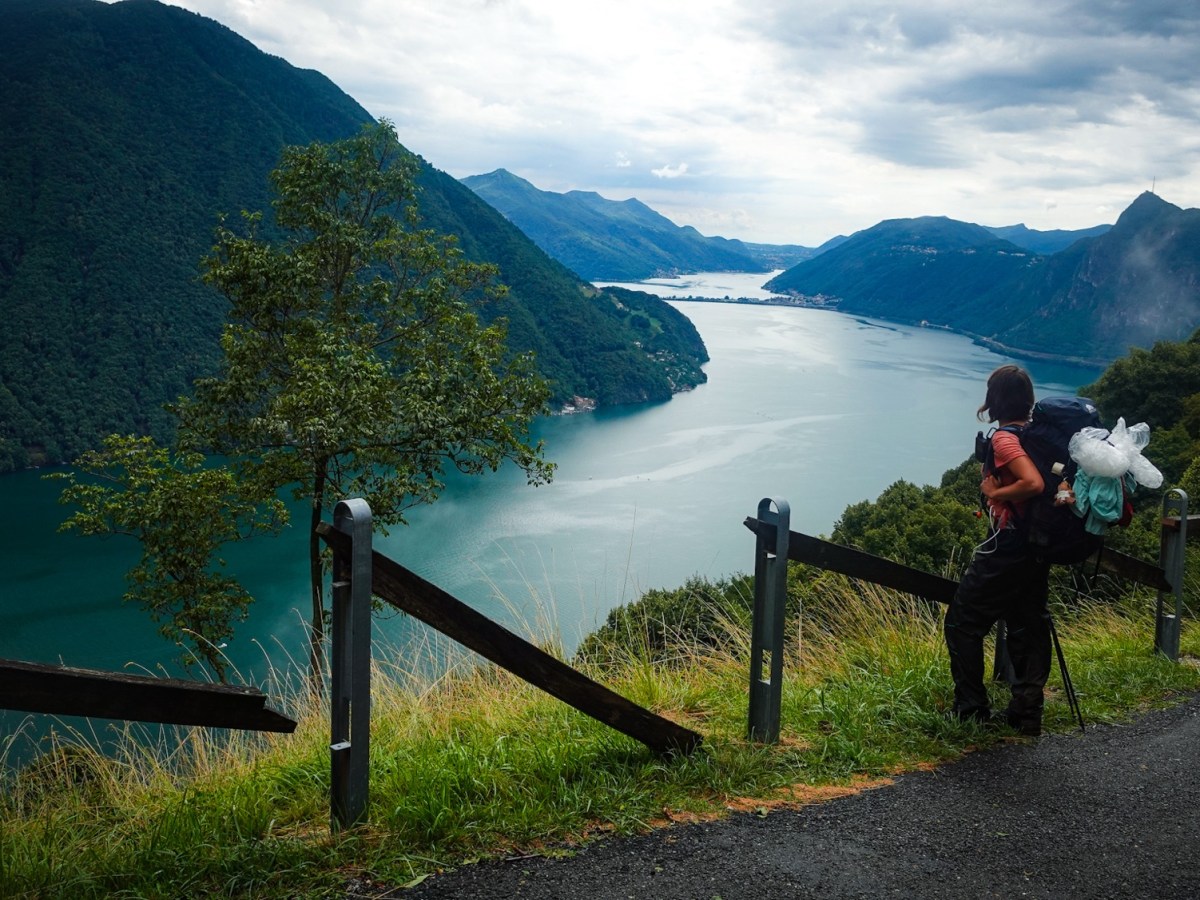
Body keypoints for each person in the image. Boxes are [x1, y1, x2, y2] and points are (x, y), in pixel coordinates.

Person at [944, 364, 1052, 736]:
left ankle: (971, 708)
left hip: (1008, 544)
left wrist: (994, 493)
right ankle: (1026, 712)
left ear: (995, 400)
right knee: (1028, 625)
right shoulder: (1037, 433)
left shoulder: (1005, 440)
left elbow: (1033, 483)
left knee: (962, 622)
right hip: (1038, 545)